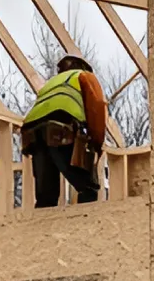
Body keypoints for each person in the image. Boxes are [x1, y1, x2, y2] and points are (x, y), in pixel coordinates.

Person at [21, 54, 108, 206]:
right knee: (88, 187)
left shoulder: (50, 84)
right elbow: (97, 108)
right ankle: (85, 224)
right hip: (60, 128)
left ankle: (41, 227)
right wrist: (96, 144)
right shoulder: (84, 75)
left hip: (32, 133)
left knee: (45, 197)